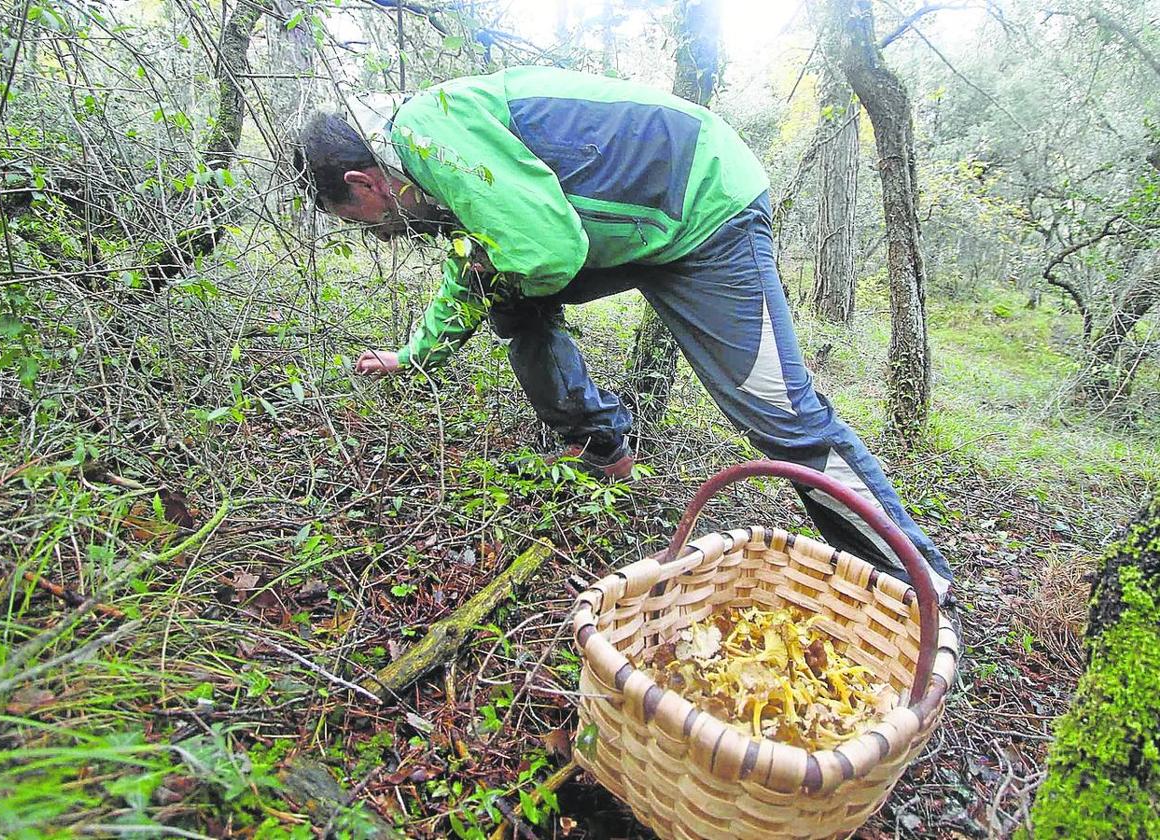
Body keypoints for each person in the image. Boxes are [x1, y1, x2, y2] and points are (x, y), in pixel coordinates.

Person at [293, 66, 953, 595]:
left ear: (362, 182)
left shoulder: (427, 136)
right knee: (509, 301)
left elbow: (546, 253)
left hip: (704, 207)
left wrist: (488, 269)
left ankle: (917, 586)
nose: (373, 232)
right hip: (631, 230)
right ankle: (604, 447)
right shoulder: (424, 169)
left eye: (357, 218)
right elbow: (476, 265)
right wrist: (415, 355)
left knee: (781, 417)